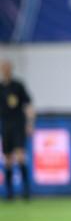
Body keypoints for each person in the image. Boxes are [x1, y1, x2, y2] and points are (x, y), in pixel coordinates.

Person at [0, 60, 34, 200]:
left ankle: (26, 190)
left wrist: (30, 123)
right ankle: (10, 193)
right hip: (5, 125)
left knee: (20, 156)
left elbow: (28, 105)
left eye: (8, 67)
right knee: (8, 159)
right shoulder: (1, 88)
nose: (6, 70)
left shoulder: (18, 86)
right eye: (3, 68)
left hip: (18, 124)